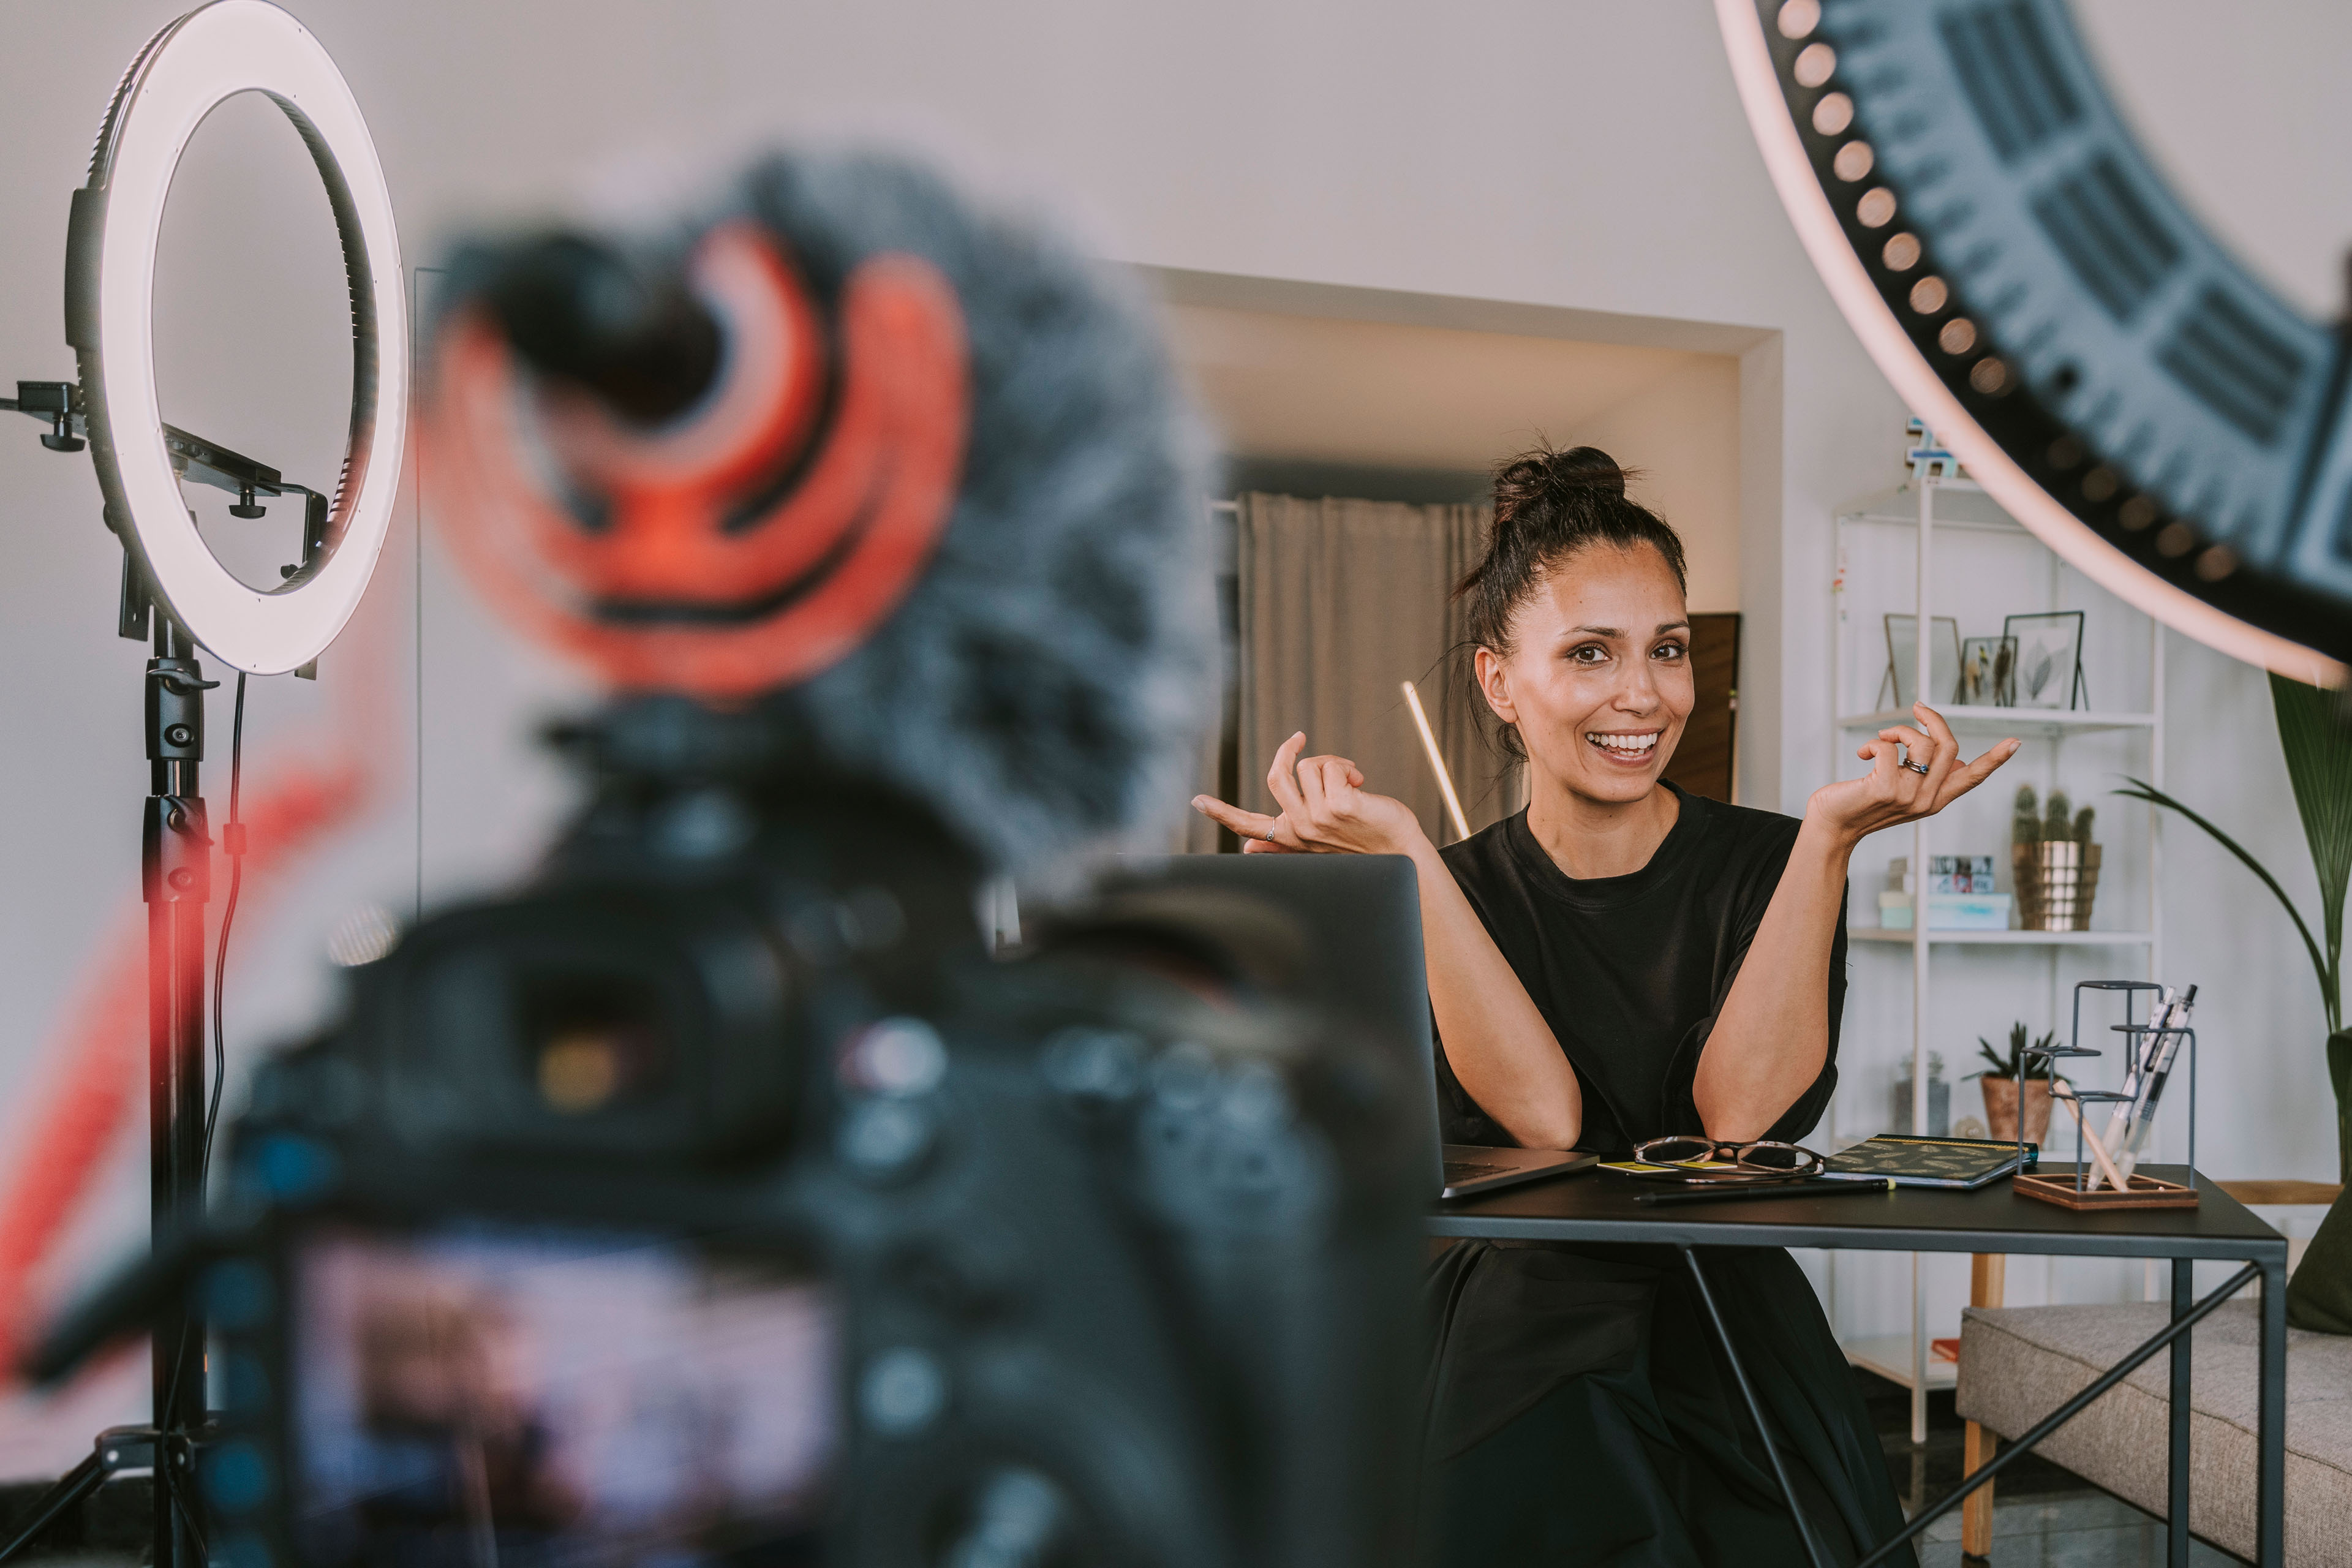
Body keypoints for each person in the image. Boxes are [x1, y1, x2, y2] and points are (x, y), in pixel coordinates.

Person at [1191, 445, 2017, 1568]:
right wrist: (1407, 861)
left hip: (1727, 1323)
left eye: (1667, 650)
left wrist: (1826, 841)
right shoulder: (1447, 886)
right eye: (1591, 654)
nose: (1643, 694)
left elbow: (1738, 1126)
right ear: (1498, 683)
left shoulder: (1779, 858)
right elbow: (1544, 1124)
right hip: (1516, 1329)